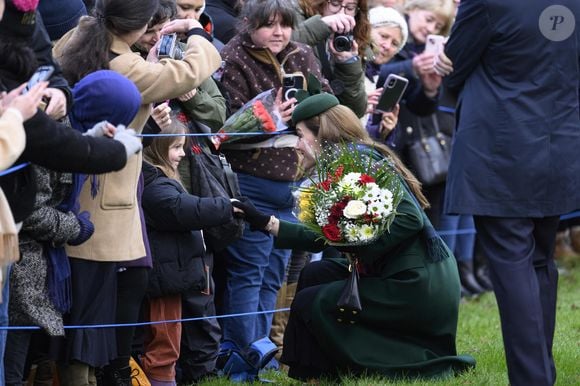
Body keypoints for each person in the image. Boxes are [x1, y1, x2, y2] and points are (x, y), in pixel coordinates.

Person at [231, 91, 476, 381]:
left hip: (415, 282)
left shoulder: (358, 161)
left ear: (321, 134)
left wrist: (358, 245)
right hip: (398, 272)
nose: (296, 145)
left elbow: (411, 218)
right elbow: (330, 235)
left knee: (315, 301)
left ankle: (333, 372)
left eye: (300, 135)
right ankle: (315, 374)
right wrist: (267, 223)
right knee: (315, 273)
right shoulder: (348, 160)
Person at [53, 0, 221, 382]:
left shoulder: (79, 37)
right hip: (105, 198)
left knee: (99, 303)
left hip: (90, 191)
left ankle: (107, 372)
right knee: (103, 307)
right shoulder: (125, 64)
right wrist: (195, 32)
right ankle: (107, 374)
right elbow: (190, 72)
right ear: (141, 23)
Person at [434, 1, 580, 385]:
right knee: (539, 262)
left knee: (517, 265)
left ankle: (533, 378)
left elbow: (454, 65)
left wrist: (439, 60)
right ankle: (540, 373)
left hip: (501, 150)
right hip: (559, 145)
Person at [217, 1, 332, 379]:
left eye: (285, 24)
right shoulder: (233, 58)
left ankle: (261, 353)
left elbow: (326, 101)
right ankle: (239, 360)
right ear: (248, 24)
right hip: (252, 181)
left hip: (294, 183)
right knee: (248, 272)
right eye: (269, 25)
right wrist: (268, 119)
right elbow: (224, 127)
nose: (279, 33)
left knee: (274, 273)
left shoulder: (301, 53)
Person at [141, 121, 242, 386]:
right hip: (163, 281)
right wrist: (229, 206)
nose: (183, 153)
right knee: (163, 343)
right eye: (176, 147)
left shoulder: (162, 176)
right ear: (157, 148)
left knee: (176, 338)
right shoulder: (152, 183)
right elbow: (182, 208)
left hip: (177, 275)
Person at [293, 0, 370, 118]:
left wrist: (347, 64)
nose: (341, 14)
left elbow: (355, 112)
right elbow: (280, 46)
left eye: (350, 8)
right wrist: (321, 25)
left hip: (328, 126)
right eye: (335, 4)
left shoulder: (355, 39)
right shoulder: (295, 13)